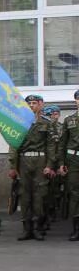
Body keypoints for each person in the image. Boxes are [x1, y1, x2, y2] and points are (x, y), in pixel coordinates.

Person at [8, 94, 55, 241]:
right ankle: (26, 229)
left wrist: (49, 165)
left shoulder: (47, 123)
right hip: (24, 160)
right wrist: (13, 166)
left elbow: (51, 145)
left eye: (34, 103)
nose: (32, 106)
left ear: (40, 105)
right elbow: (14, 145)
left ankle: (37, 228)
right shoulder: (20, 122)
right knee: (24, 195)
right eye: (29, 104)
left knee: (39, 195)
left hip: (40, 160)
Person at [58, 89, 79, 241]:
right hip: (73, 160)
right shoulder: (69, 120)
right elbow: (62, 143)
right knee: (74, 194)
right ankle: (76, 229)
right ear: (75, 101)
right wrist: (61, 163)